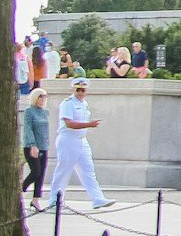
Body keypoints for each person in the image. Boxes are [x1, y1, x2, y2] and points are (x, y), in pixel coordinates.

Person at [46, 77, 116, 210]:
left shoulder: (84, 103)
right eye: (78, 89)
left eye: (83, 90)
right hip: (68, 139)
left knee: (88, 171)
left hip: (81, 140)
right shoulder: (68, 103)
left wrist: (87, 126)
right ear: (74, 90)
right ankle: (54, 200)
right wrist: (88, 125)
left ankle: (97, 198)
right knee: (63, 171)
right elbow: (69, 123)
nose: (80, 92)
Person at [19, 84, 52, 210]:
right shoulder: (29, 111)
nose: (42, 99)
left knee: (41, 174)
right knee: (35, 171)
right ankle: (20, 189)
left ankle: (36, 199)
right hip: (31, 146)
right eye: (40, 97)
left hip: (43, 146)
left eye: (44, 97)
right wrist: (33, 145)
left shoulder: (45, 112)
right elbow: (28, 129)